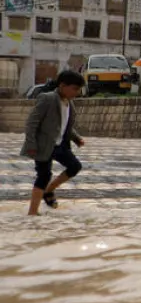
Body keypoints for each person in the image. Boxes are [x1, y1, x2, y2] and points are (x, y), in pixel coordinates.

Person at [21, 70, 86, 216]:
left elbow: (64, 125)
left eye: (79, 89)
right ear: (62, 86)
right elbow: (32, 123)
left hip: (60, 145)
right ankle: (32, 213)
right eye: (75, 88)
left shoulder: (70, 104)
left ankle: (49, 190)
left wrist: (76, 138)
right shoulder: (47, 98)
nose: (77, 92)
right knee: (43, 175)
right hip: (43, 145)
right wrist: (31, 144)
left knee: (75, 166)